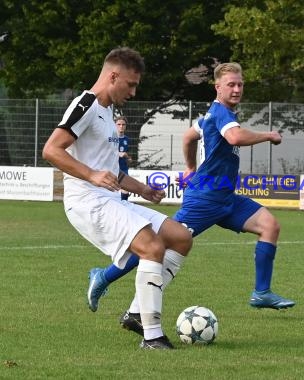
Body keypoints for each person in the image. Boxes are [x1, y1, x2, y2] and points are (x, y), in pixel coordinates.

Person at [42, 47, 192, 349]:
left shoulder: (109, 113)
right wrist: (90, 175)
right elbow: (51, 150)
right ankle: (152, 337)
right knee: (151, 245)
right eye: (131, 84)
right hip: (87, 201)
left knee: (180, 237)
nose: (134, 92)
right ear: (113, 76)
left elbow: (112, 174)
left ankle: (137, 313)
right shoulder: (86, 105)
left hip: (109, 198)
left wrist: (143, 189)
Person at [173, 62, 295, 310]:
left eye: (240, 84)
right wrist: (269, 135)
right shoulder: (221, 114)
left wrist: (190, 167)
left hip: (226, 198)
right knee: (162, 241)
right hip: (205, 197)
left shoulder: (211, 115)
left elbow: (188, 136)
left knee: (270, 225)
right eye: (231, 84)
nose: (237, 89)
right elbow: (235, 137)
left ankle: (262, 293)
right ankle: (105, 275)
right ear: (218, 87)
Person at [116, 116, 131, 201]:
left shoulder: (127, 139)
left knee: (126, 189)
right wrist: (119, 154)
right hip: (112, 168)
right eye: (119, 124)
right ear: (115, 125)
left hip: (123, 168)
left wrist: (128, 158)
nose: (121, 126)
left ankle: (124, 206)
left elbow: (126, 153)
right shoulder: (111, 138)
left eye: (123, 124)